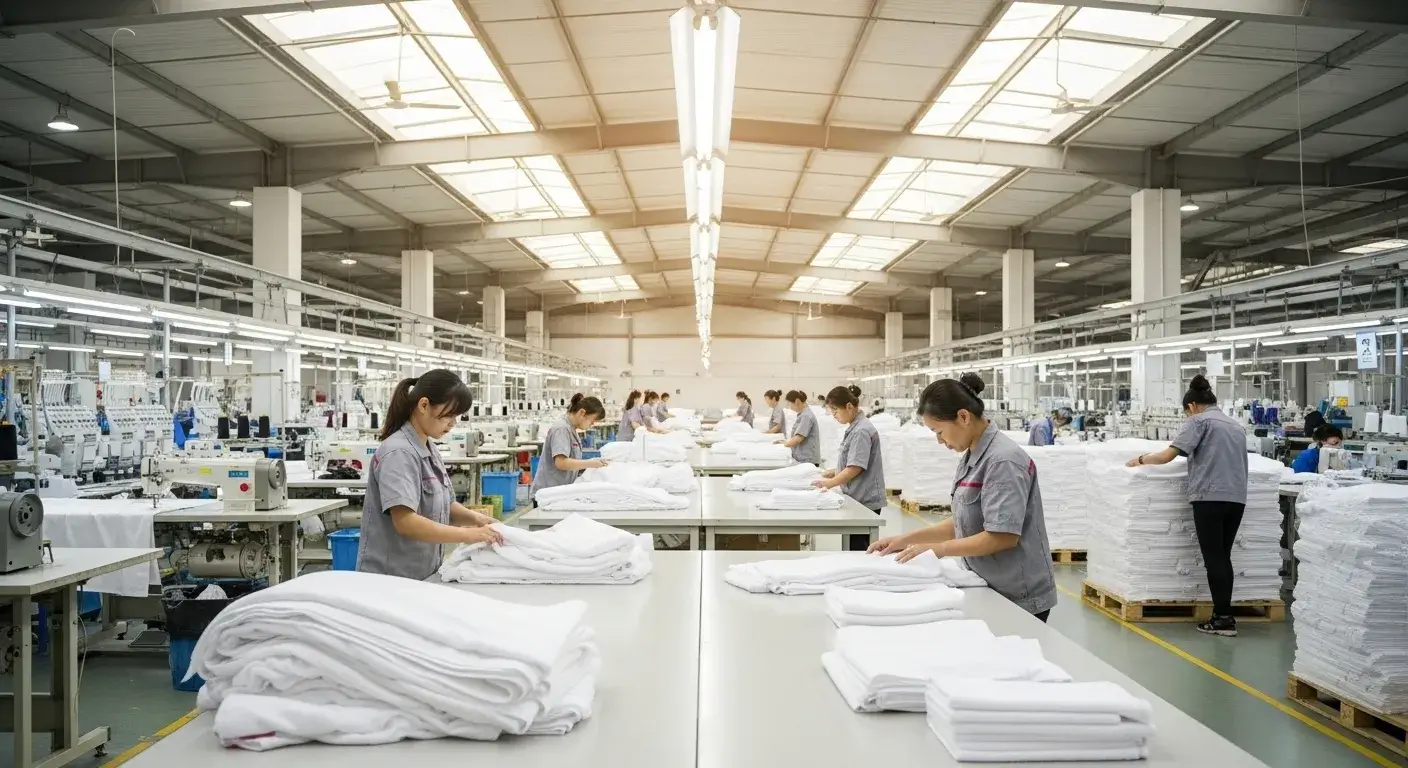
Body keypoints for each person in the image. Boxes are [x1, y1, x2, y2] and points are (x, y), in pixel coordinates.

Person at [869, 375, 1057, 621]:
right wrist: (903, 540)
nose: (939, 441)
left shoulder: (1002, 461)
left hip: (1017, 595)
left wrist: (938, 550)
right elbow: (962, 522)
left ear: (963, 417)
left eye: (939, 431)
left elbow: (1002, 536)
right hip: (990, 584)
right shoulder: (973, 455)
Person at [1125, 374, 1248, 638]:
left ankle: (1223, 619)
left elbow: (1167, 456)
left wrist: (1139, 460)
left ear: (1191, 406)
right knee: (1223, 557)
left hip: (1209, 498)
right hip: (1236, 498)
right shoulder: (1235, 426)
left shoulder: (1199, 421)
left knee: (1214, 558)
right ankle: (1223, 615)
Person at [358, 369, 503, 580]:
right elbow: (405, 521)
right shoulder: (399, 452)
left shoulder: (428, 447)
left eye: (457, 416)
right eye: (449, 415)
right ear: (424, 405)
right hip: (391, 580)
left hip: (421, 574)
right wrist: (467, 534)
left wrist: (477, 519)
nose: (453, 423)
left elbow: (446, 502)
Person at [813, 385, 884, 551]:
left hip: (864, 499)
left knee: (859, 550)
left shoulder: (861, 430)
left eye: (836, 412)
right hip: (858, 496)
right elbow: (852, 461)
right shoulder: (855, 427)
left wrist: (829, 484)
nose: (835, 417)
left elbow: (855, 468)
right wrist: (834, 471)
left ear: (849, 406)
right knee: (853, 547)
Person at [530, 394, 608, 502]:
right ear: (582, 413)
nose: (592, 424)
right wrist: (591, 463)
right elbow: (561, 463)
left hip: (557, 493)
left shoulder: (570, 429)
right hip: (547, 495)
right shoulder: (561, 429)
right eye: (592, 420)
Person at [782, 390, 820, 465]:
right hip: (804, 459)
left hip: (808, 461)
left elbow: (798, 439)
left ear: (796, 401)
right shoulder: (803, 415)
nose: (790, 407)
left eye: (790, 404)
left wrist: (783, 446)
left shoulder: (806, 416)